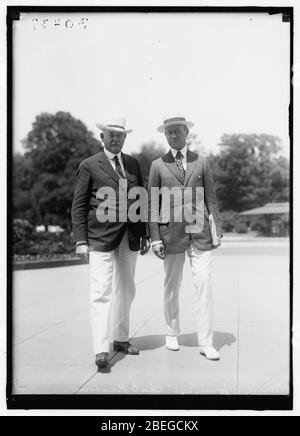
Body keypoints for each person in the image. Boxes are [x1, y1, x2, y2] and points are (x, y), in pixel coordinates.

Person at [71, 116, 150, 371]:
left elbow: (142, 199)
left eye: (120, 135)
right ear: (101, 137)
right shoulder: (89, 165)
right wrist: (81, 240)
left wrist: (146, 233)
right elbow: (79, 204)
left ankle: (121, 339)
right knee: (100, 293)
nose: (115, 139)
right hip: (99, 238)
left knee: (127, 290)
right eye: (110, 135)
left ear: (125, 137)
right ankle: (101, 350)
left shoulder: (133, 164)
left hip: (130, 236)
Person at [148, 115, 223, 360]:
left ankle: (206, 341)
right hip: (171, 234)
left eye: (177, 131)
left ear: (186, 133)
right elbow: (152, 204)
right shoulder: (158, 165)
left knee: (204, 283)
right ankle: (171, 332)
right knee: (171, 285)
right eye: (169, 132)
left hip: (199, 231)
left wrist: (217, 228)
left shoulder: (201, 162)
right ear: (165, 135)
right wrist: (156, 238)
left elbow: (211, 196)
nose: (173, 136)